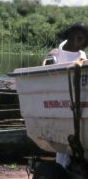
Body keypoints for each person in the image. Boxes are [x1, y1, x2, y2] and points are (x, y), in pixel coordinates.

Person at [45, 22, 88, 169]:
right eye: (78, 38)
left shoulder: (81, 55)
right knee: (62, 137)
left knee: (69, 135)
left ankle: (65, 165)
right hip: (57, 99)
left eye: (83, 40)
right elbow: (47, 63)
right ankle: (62, 166)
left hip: (73, 102)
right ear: (70, 36)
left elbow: (82, 62)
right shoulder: (58, 51)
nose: (80, 43)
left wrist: (79, 63)